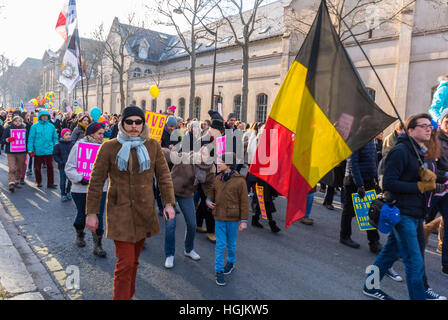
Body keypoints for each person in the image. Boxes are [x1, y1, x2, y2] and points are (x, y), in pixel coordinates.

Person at [85, 105, 175, 300]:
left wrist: (168, 203)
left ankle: (129, 295)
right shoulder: (109, 147)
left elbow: (164, 177)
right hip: (120, 212)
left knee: (134, 261)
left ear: (143, 124)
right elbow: (96, 181)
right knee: (124, 263)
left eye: (138, 122)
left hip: (144, 211)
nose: (134, 126)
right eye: (129, 122)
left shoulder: (152, 145)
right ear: (122, 123)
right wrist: (92, 213)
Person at [363, 113, 437, 300]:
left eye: (430, 126)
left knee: (389, 253)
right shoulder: (401, 151)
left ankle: (369, 286)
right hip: (402, 213)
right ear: (411, 130)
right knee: (415, 262)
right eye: (424, 125)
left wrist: (430, 181)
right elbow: (388, 183)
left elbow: (415, 179)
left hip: (416, 213)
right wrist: (419, 186)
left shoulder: (420, 152)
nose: (429, 128)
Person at [162, 144, 215, 269]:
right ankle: (169, 254)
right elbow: (168, 154)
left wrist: (209, 199)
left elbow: (209, 187)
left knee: (192, 224)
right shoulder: (186, 157)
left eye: (204, 154)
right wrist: (154, 146)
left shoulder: (210, 169)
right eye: (201, 151)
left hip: (187, 194)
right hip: (171, 193)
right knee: (170, 225)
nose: (200, 155)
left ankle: (189, 249)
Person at [65, 123, 108, 257]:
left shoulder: (104, 148)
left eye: (103, 134)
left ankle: (97, 245)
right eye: (99, 134)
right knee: (82, 215)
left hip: (101, 188)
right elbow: (69, 168)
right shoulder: (78, 146)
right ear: (91, 134)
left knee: (99, 216)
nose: (102, 136)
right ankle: (80, 234)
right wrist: (80, 178)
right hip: (80, 189)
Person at [206, 152, 249, 286]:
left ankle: (230, 262)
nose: (218, 163)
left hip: (232, 218)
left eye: (220, 161)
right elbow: (211, 193)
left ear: (229, 164)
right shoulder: (217, 178)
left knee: (231, 243)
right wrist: (208, 200)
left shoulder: (240, 181)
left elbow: (244, 202)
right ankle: (218, 270)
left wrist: (244, 220)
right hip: (219, 216)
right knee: (220, 245)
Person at [340, 139, 382, 253]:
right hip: (354, 181)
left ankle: (374, 242)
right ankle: (344, 236)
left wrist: (376, 179)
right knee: (348, 210)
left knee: (369, 211)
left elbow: (373, 162)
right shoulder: (358, 139)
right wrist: (360, 185)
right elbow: (353, 164)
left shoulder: (371, 140)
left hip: (367, 180)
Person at [27, 110, 58, 189]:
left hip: (49, 149)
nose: (44, 117)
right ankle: (39, 181)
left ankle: (50, 183)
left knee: (50, 167)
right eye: (43, 116)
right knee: (37, 167)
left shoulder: (51, 126)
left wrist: (56, 147)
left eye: (46, 116)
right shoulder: (34, 126)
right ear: (40, 117)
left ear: (48, 117)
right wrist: (30, 149)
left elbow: (55, 138)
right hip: (38, 150)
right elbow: (31, 138)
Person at [1, 116, 27, 192]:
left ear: (22, 122)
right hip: (11, 152)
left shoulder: (24, 130)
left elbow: (27, 140)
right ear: (13, 122)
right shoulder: (8, 129)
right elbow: (2, 140)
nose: (17, 122)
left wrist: (29, 150)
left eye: (19, 121)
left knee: (19, 168)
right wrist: (8, 139)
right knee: (12, 168)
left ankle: (17, 181)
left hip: (21, 151)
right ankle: (11, 182)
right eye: (16, 121)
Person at [53, 129, 73, 202]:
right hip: (62, 166)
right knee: (63, 181)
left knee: (70, 180)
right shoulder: (58, 145)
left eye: (69, 135)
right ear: (62, 135)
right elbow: (55, 155)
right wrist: (60, 161)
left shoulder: (72, 144)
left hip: (70, 166)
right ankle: (63, 194)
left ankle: (68, 191)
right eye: (66, 135)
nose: (68, 136)